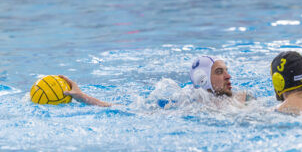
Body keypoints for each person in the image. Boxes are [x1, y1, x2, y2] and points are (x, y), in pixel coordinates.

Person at [59, 56, 249, 107]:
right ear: (203, 79)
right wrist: (82, 97)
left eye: (227, 70)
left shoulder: (244, 97)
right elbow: (128, 110)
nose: (228, 76)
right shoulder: (189, 103)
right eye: (219, 72)